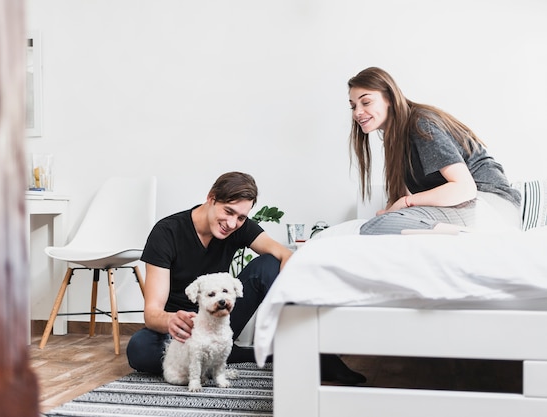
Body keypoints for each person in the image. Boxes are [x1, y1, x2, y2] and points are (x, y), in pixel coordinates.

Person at [126, 171, 366, 384]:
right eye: (228, 211)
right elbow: (152, 312)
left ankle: (315, 352)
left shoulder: (238, 226)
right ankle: (251, 354)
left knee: (269, 265)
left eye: (241, 217)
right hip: (185, 329)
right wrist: (169, 320)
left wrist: (292, 289)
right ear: (211, 198)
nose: (232, 223)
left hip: (222, 317)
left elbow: (283, 254)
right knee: (140, 349)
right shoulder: (167, 232)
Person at [348, 67, 521, 235]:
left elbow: (465, 188)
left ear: (391, 99)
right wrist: (392, 210)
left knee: (378, 226)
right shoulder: (395, 139)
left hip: (494, 206)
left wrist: (405, 203)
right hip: (472, 206)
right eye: (353, 106)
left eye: (366, 102)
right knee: (381, 223)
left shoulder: (421, 124)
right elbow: (401, 196)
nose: (358, 112)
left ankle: (469, 238)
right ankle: (458, 236)